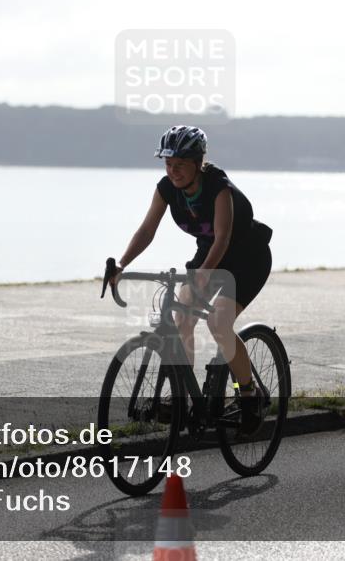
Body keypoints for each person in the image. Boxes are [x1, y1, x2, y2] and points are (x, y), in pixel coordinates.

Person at [113, 125, 273, 433]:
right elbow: (147, 231)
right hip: (209, 254)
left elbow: (223, 238)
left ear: (198, 163)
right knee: (181, 318)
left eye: (180, 165)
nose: (173, 171)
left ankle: (249, 394)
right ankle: (183, 401)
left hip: (247, 257)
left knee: (218, 322)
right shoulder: (166, 189)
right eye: (168, 164)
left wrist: (202, 278)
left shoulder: (218, 188)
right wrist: (121, 264)